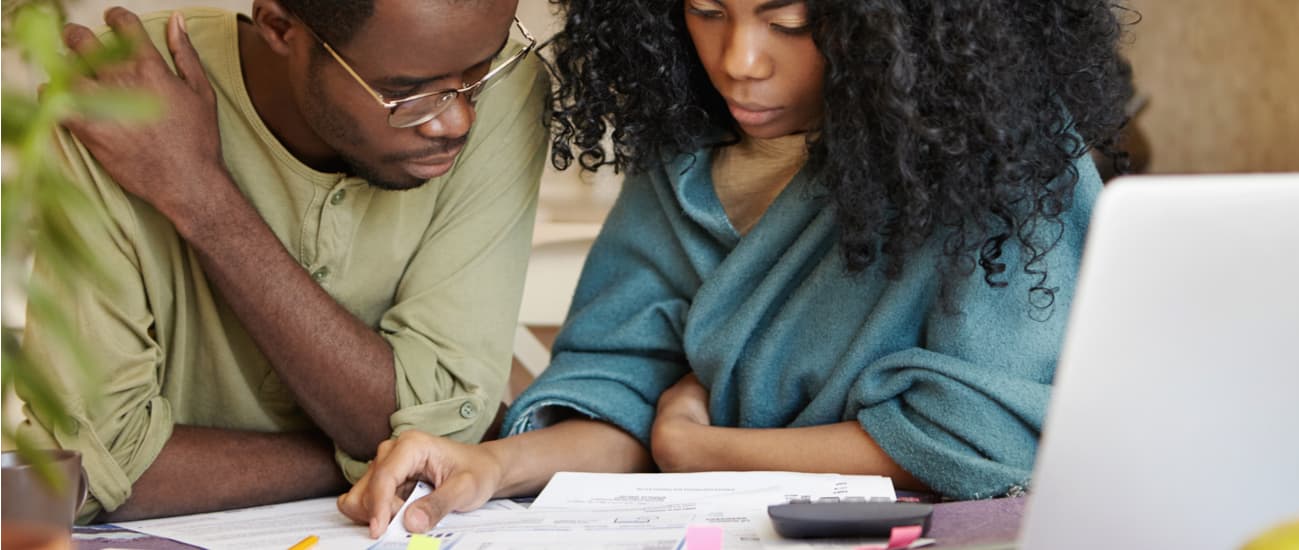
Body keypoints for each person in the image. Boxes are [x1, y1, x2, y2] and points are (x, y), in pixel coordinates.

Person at [339, 0, 1133, 535]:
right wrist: (487, 467)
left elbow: (998, 436)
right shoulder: (681, 166)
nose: (739, 61)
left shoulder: (1001, 156)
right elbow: (624, 403)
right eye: (706, 10)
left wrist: (707, 450)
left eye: (789, 20)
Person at [17, 0, 547, 522]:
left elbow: (449, 433)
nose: (456, 120)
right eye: (403, 92)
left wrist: (202, 197)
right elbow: (84, 470)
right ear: (279, 26)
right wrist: (380, 456)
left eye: (481, 69)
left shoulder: (506, 91)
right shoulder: (132, 91)